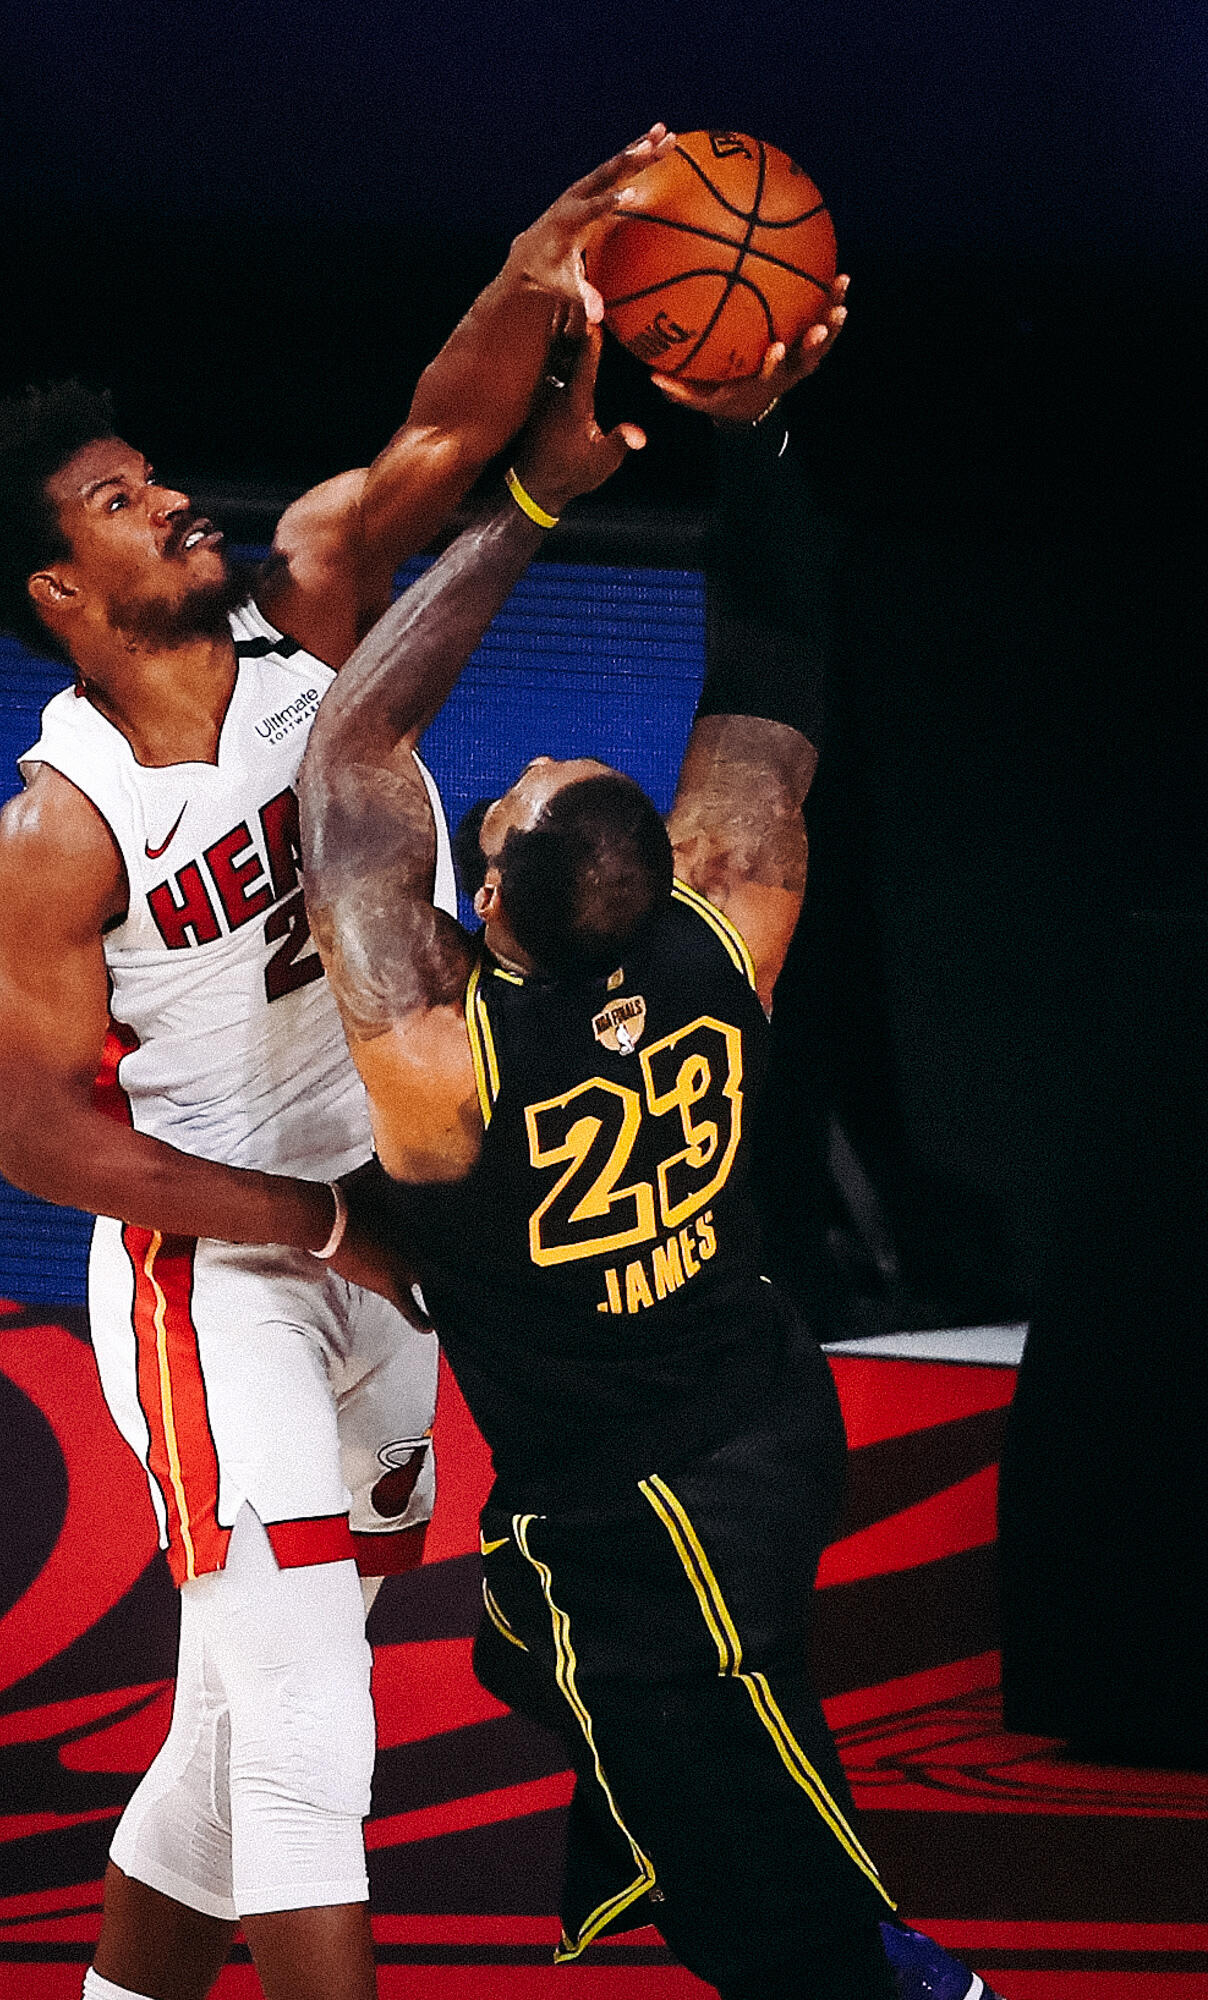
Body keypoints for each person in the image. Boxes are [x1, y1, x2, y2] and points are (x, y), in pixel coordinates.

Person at [0, 130, 685, 2000]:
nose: (174, 501)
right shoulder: (60, 828)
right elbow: (37, 1140)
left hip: (391, 1225)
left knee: (245, 1709)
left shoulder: (308, 622)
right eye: (121, 502)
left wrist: (538, 257)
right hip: (222, 1270)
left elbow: (442, 432)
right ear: (63, 590)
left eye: (153, 475)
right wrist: (313, 1225)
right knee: (310, 1724)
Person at [297, 322, 1003, 2000]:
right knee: (575, 1680)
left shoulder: (441, 1068)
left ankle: (900, 1980)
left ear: (490, 907)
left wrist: (537, 501)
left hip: (640, 1510)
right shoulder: (731, 922)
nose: (531, 762)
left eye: (519, 794)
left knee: (742, 1836)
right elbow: (773, 668)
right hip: (768, 1407)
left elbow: (348, 754)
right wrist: (756, 436)